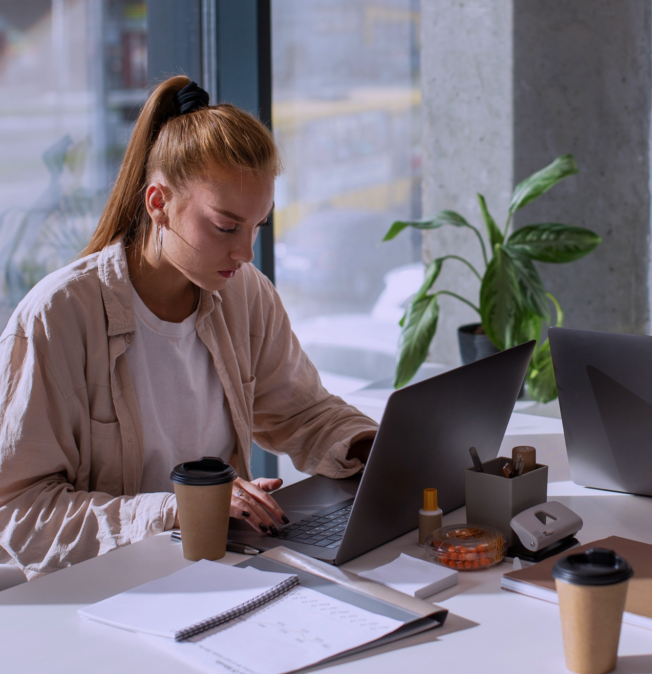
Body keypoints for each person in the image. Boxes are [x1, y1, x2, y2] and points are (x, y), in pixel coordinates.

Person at [0, 77, 379, 579]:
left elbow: (303, 412)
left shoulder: (244, 292)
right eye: (226, 227)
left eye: (257, 226)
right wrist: (180, 509)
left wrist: (375, 447)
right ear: (158, 204)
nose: (245, 253)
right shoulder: (57, 316)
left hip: (225, 573)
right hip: (113, 591)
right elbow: (17, 513)